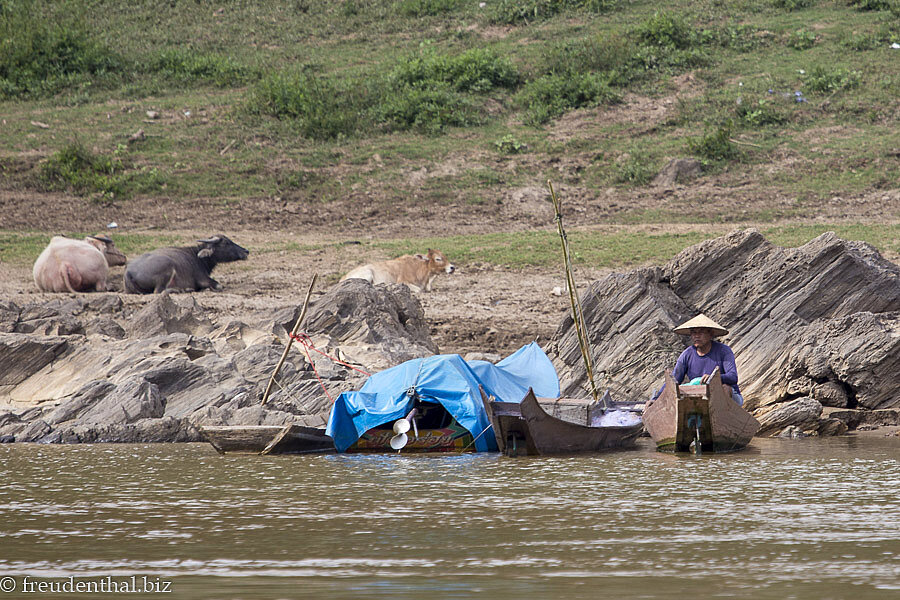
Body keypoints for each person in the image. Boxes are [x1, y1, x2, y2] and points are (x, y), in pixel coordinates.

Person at [655, 314, 744, 406]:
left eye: (701, 333)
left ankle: (722, 417)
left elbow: (733, 377)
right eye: (694, 333)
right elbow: (674, 380)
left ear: (711, 334)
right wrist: (655, 399)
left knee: (724, 388)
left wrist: (713, 378)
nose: (696, 336)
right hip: (700, 398)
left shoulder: (724, 351)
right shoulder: (687, 354)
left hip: (729, 397)